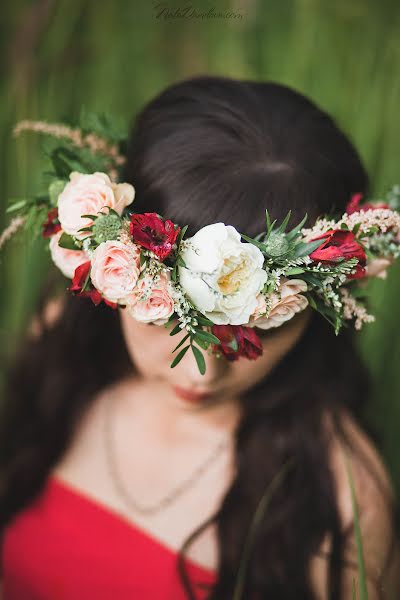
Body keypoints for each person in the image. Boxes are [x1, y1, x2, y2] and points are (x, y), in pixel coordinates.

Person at [1, 75, 399, 599]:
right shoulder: (65, 356)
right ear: (108, 272)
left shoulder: (340, 496)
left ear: (320, 301)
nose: (200, 372)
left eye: (259, 331)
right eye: (157, 318)